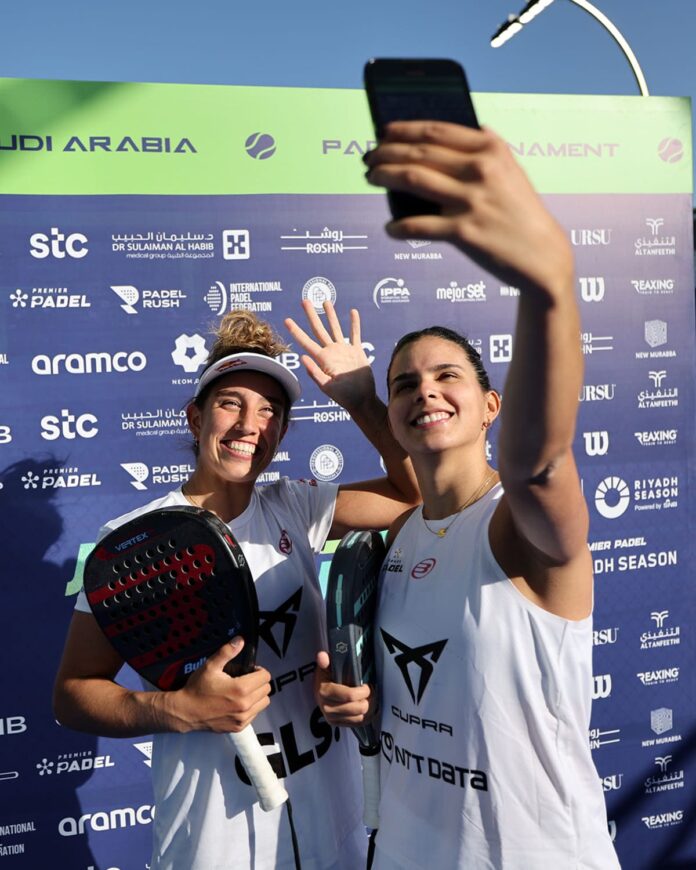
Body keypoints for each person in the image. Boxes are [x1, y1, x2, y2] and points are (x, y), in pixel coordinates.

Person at [314, 121, 621, 869]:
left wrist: (548, 283)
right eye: (405, 385)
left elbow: (540, 463)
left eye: (448, 375)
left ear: (491, 405)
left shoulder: (522, 530)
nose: (426, 391)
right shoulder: (401, 526)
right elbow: (317, 504)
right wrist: (364, 703)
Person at [53, 304, 420, 870]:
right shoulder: (131, 543)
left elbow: (419, 495)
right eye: (231, 404)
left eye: (269, 410)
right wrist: (178, 710)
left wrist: (361, 400)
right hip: (213, 840)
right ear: (196, 419)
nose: (252, 424)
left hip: (333, 823)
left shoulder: (298, 505)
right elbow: (74, 693)